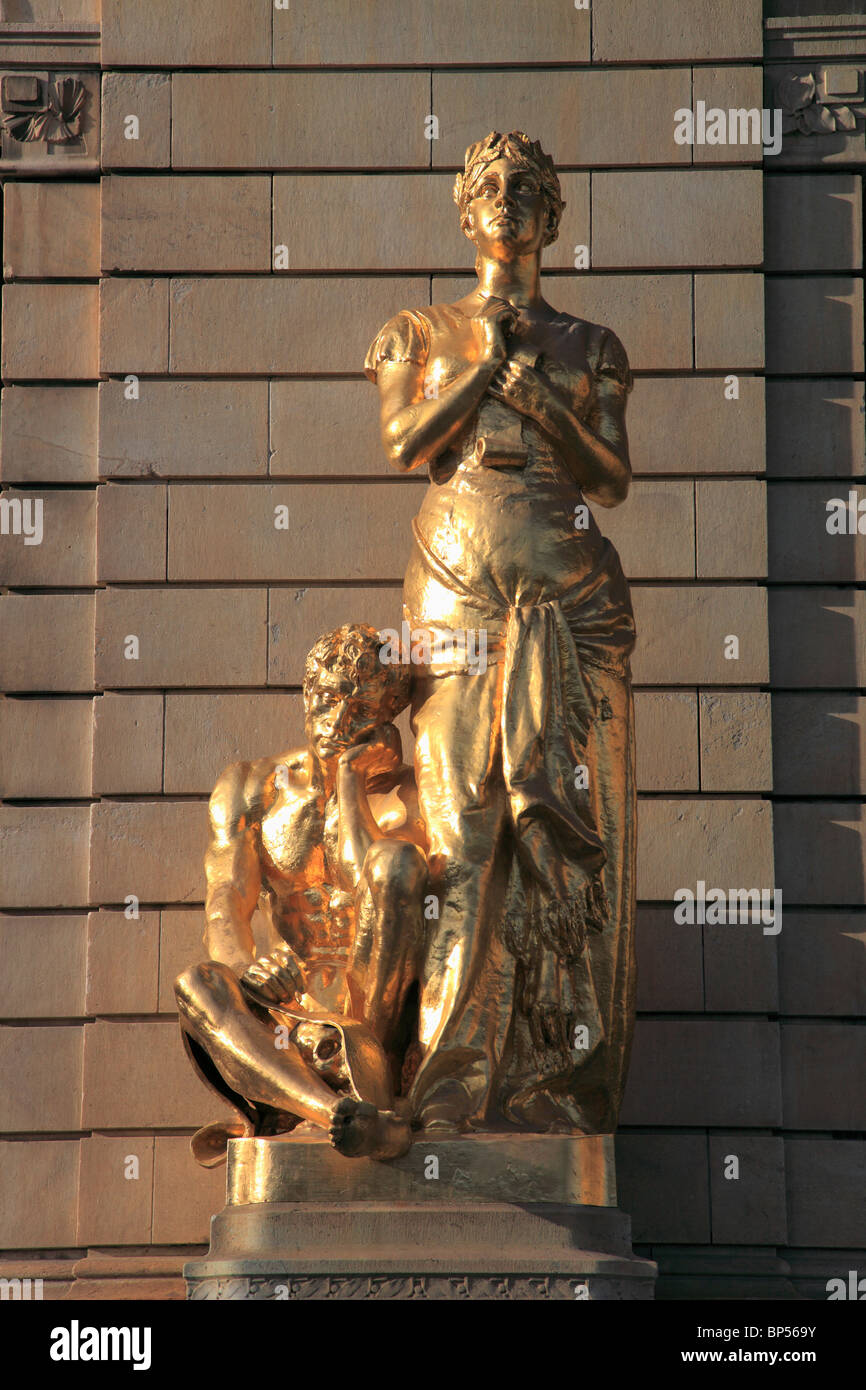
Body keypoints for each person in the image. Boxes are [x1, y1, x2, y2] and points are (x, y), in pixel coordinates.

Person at [364, 131, 637, 1136]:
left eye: (530, 190)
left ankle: (551, 1094)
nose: (510, 202)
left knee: (559, 843)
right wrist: (483, 373)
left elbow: (609, 477)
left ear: (553, 220)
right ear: (464, 209)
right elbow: (403, 443)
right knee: (461, 834)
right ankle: (442, 1097)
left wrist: (547, 410)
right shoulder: (418, 329)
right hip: (455, 592)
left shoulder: (591, 344)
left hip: (566, 598)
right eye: (492, 187)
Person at [175, 624, 428, 1164]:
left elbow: (380, 886)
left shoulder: (413, 793)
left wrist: (349, 781)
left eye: (362, 711)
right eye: (329, 699)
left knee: (396, 861)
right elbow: (224, 904)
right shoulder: (250, 787)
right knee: (197, 982)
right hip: (284, 1013)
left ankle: (365, 1099)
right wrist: (250, 973)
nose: (338, 723)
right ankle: (337, 1115)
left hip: (375, 1021)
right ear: (306, 695)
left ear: (388, 723)